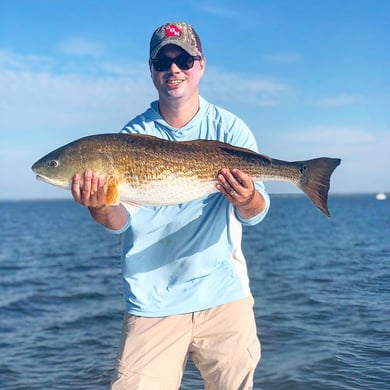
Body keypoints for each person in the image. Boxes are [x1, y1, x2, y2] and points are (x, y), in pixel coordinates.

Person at [71, 22, 270, 390]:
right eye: (163, 61)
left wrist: (250, 198)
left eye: (184, 59)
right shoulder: (128, 139)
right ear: (151, 71)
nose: (174, 69)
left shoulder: (230, 129)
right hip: (152, 301)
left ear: (201, 65)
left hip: (224, 297)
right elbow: (118, 222)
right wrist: (98, 206)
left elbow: (256, 213)